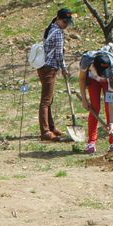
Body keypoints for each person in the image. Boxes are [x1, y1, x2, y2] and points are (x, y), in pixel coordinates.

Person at [37, 8, 74, 142]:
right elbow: (59, 54)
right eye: (64, 21)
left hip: (43, 67)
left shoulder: (50, 29)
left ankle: (51, 127)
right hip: (50, 68)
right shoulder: (58, 32)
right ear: (58, 19)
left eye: (68, 23)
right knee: (46, 101)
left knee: (49, 99)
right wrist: (64, 68)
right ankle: (45, 131)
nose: (66, 25)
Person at [79, 47, 113, 155]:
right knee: (94, 108)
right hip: (92, 81)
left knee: (109, 109)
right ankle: (91, 143)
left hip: (107, 83)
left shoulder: (111, 72)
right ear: (94, 67)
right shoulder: (86, 61)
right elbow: (81, 79)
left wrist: (111, 123)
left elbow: (111, 102)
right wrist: (84, 99)